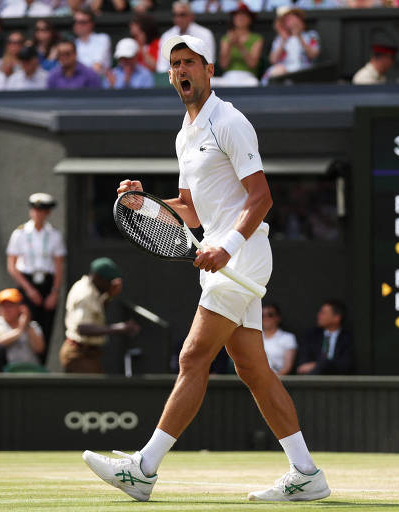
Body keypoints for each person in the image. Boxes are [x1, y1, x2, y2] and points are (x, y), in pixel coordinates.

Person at [82, 35, 330, 503]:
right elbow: (191, 212)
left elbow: (261, 198)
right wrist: (145, 205)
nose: (181, 71)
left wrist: (227, 249)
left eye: (189, 62)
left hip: (243, 255)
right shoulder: (184, 133)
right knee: (254, 370)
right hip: (223, 256)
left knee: (192, 357)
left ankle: (143, 468)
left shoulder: (231, 121)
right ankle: (306, 472)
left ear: (208, 69)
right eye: (174, 64)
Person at [6, 193, 65, 361]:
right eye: (35, 210)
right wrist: (28, 289)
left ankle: (41, 365)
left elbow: (58, 265)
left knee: (46, 328)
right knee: (25, 323)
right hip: (26, 283)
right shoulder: (20, 233)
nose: (38, 214)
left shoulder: (54, 234)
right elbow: (12, 266)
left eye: (42, 210)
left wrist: (54, 292)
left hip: (47, 283)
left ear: (48, 213)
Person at [60, 257, 139, 373]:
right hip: (78, 353)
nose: (110, 285)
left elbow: (94, 316)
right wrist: (119, 328)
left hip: (87, 352)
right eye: (109, 282)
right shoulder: (85, 294)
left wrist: (109, 295)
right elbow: (82, 328)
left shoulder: (90, 288)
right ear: (99, 278)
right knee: (93, 390)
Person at [296, 299, 353, 375]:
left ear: (337, 318)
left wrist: (320, 364)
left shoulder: (346, 338)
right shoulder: (311, 336)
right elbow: (302, 365)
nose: (319, 316)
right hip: (311, 381)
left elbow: (345, 365)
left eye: (323, 313)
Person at [155, 1, 216, 73]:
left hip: (198, 77)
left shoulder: (205, 34)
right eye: (175, 15)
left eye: (182, 15)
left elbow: (208, 62)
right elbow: (161, 67)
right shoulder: (166, 36)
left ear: (191, 16)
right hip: (173, 80)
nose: (178, 18)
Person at [263, 7, 320, 83]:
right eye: (287, 19)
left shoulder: (311, 35)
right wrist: (283, 39)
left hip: (303, 72)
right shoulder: (280, 39)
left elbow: (313, 55)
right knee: (277, 71)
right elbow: (273, 60)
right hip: (282, 72)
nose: (292, 21)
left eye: (294, 17)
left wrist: (299, 36)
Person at [0, 288, 45, 365]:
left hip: (30, 371)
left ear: (20, 307)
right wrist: (19, 330)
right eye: (3, 306)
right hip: (6, 372)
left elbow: (39, 349)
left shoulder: (32, 325)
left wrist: (27, 324)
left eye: (10, 306)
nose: (6, 309)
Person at [218, 3, 263, 84]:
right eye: (237, 15)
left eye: (244, 15)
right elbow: (223, 65)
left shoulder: (256, 38)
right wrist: (229, 45)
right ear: (233, 19)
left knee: (253, 83)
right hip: (229, 75)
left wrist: (239, 45)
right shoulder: (226, 38)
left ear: (250, 19)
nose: (240, 18)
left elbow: (252, 64)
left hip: (248, 77)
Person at [73, 8, 111, 75]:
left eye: (82, 22)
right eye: (76, 22)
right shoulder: (73, 43)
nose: (78, 25)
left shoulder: (102, 38)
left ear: (91, 24)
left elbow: (96, 68)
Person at [261, 303, 297, 375]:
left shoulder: (287, 338)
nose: (265, 318)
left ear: (278, 317)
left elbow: (287, 367)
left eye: (270, 315)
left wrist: (271, 382)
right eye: (262, 316)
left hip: (277, 380)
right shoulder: (254, 337)